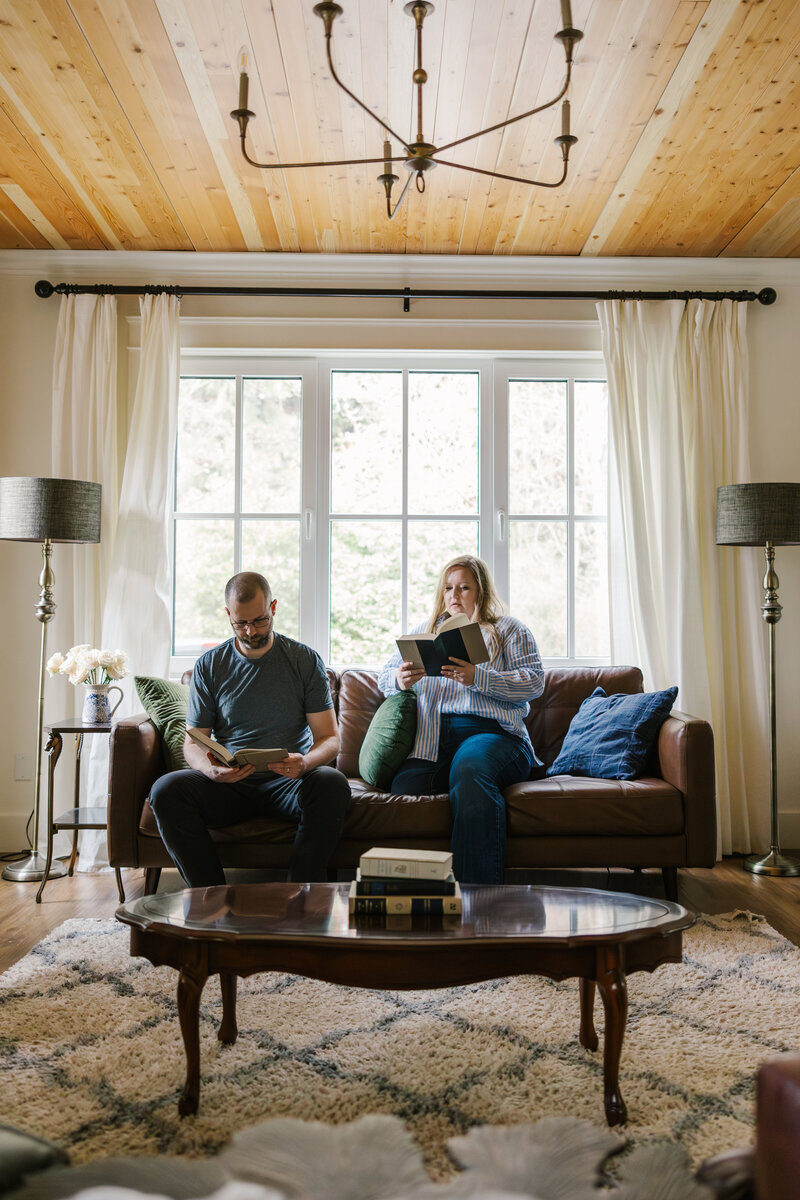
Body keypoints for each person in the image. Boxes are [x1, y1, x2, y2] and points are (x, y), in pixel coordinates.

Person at [149, 572, 350, 888]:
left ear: (273, 607)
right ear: (228, 614)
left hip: (289, 783)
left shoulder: (303, 660)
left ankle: (302, 895)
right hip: (231, 785)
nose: (250, 631)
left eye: (260, 621)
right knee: (165, 790)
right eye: (240, 623)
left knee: (332, 783)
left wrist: (306, 763)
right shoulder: (210, 665)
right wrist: (209, 769)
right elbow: (193, 742)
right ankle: (210, 897)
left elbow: (330, 738)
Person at [377, 555, 544, 885]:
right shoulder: (422, 634)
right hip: (434, 741)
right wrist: (399, 679)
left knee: (470, 770)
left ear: (480, 592)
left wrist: (479, 677)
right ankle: (417, 890)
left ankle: (478, 896)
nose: (455, 595)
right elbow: (383, 678)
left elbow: (534, 682)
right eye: (449, 587)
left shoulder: (509, 629)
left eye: (464, 587)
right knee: (405, 785)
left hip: (494, 735)